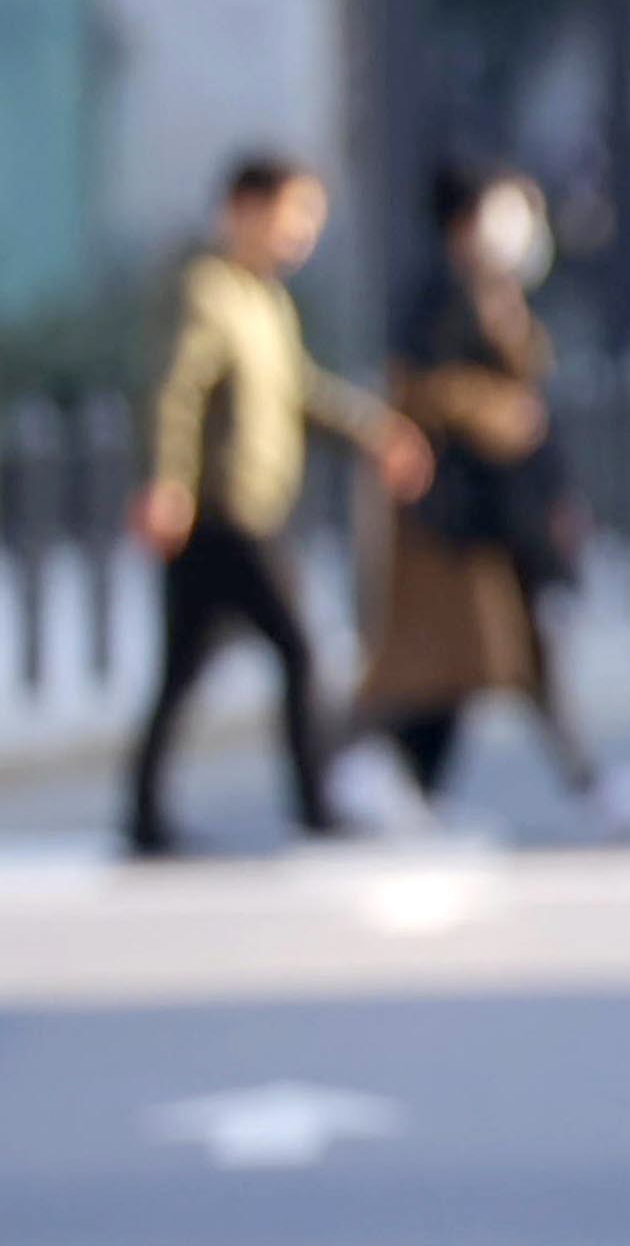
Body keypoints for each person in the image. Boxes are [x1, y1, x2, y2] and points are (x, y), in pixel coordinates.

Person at [125, 153, 434, 856]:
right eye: (293, 216)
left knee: (184, 668)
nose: (301, 234)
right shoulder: (205, 290)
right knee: (300, 649)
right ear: (245, 208)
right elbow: (174, 391)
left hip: (252, 507)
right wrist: (166, 483)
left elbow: (300, 391)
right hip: (220, 512)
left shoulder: (263, 298)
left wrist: (375, 432)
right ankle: (315, 803)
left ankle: (145, 815)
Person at [351, 165, 609, 816]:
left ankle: (580, 782)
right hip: (455, 510)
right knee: (462, 660)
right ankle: (360, 769)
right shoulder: (437, 292)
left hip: (502, 507)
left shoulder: (493, 289)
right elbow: (418, 388)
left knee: (497, 656)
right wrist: (491, 411)